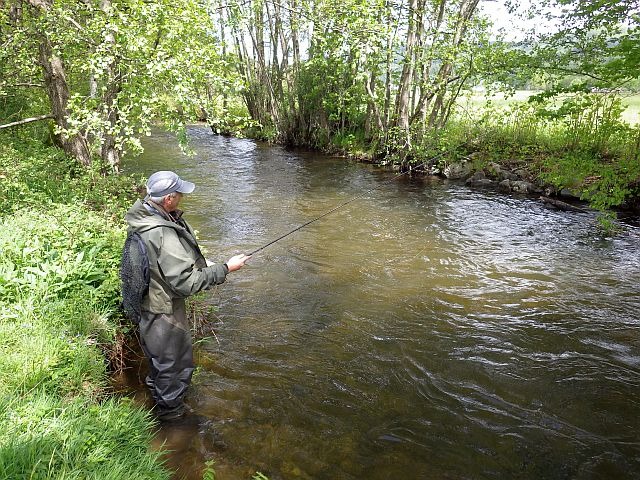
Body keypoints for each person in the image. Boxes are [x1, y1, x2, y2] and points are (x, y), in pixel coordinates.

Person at [124, 170, 250, 420]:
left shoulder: (144, 216)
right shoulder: (162, 232)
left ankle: (156, 398)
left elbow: (162, 262)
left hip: (148, 303)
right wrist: (226, 269)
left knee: (159, 361)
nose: (182, 196)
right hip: (163, 310)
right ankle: (172, 422)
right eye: (179, 192)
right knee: (174, 365)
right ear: (169, 199)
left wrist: (207, 264)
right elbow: (186, 283)